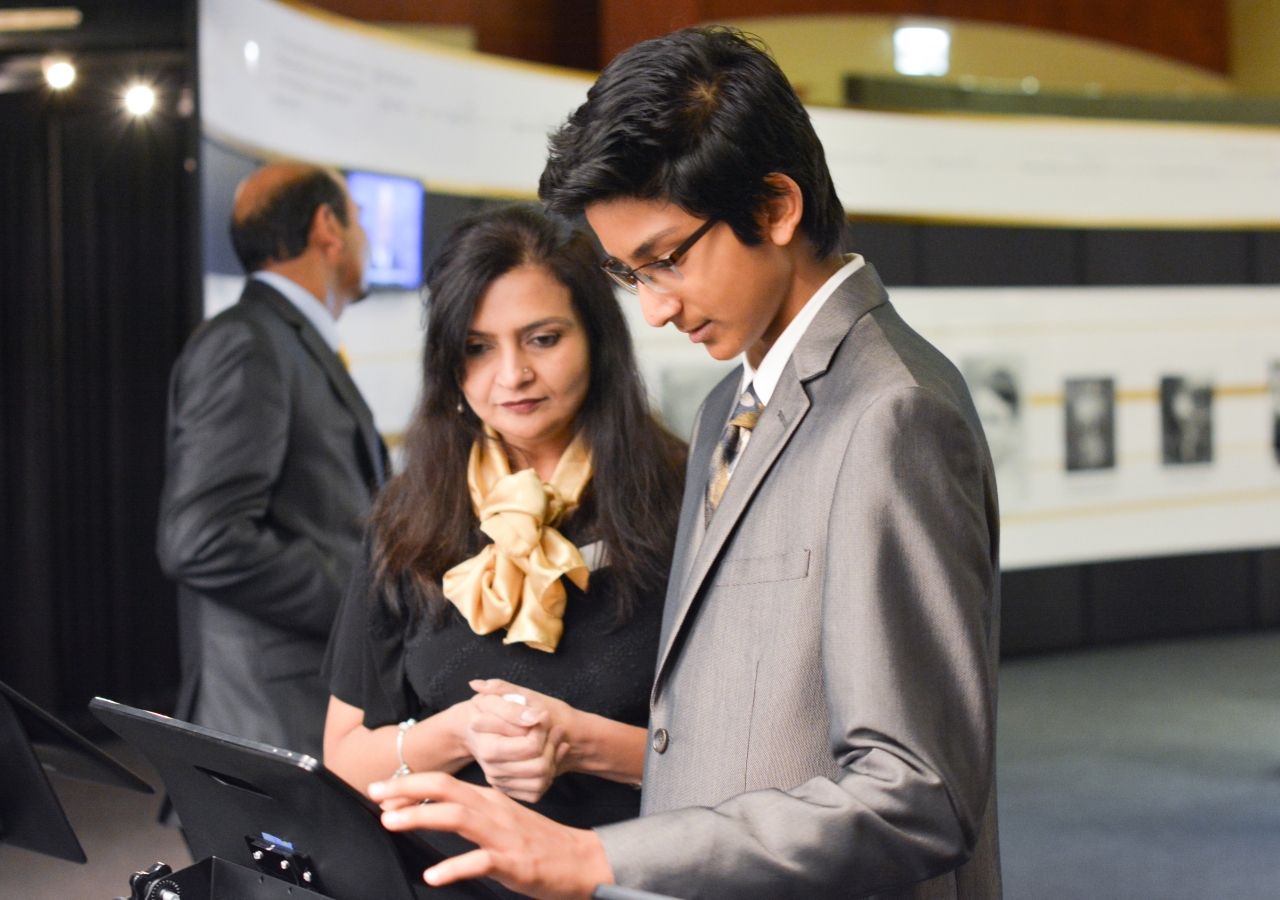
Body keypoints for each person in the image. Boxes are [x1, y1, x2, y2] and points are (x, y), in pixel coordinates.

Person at [368, 27, 1003, 900]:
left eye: (667, 259)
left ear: (777, 207)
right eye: (632, 275)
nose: (657, 310)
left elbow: (918, 795)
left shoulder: (895, 415)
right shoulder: (723, 407)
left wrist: (596, 858)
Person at [322, 206, 686, 831]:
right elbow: (345, 757)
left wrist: (579, 745)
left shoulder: (686, 501)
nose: (512, 374)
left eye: (543, 338)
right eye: (477, 348)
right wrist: (460, 732)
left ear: (598, 340)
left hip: (631, 873)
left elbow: (751, 762)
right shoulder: (410, 517)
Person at [157, 163, 387, 760]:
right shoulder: (247, 343)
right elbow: (201, 538)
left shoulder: (281, 339)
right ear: (327, 228)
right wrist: (367, 601)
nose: (366, 238)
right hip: (269, 720)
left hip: (299, 709)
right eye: (359, 220)